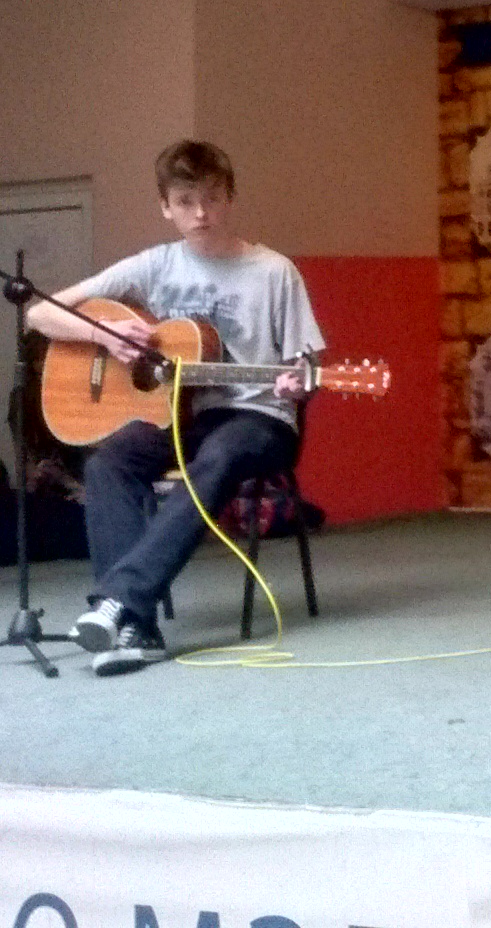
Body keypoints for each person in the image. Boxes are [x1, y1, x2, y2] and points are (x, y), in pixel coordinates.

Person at [28, 141, 324, 677]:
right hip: (181, 414)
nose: (201, 213)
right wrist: (106, 333)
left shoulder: (273, 271)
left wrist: (297, 386)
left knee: (219, 456)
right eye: (186, 201)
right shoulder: (154, 265)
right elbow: (39, 314)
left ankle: (117, 601)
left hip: (259, 418)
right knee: (108, 462)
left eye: (212, 198)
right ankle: (137, 628)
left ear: (230, 198)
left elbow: (305, 364)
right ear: (166, 206)